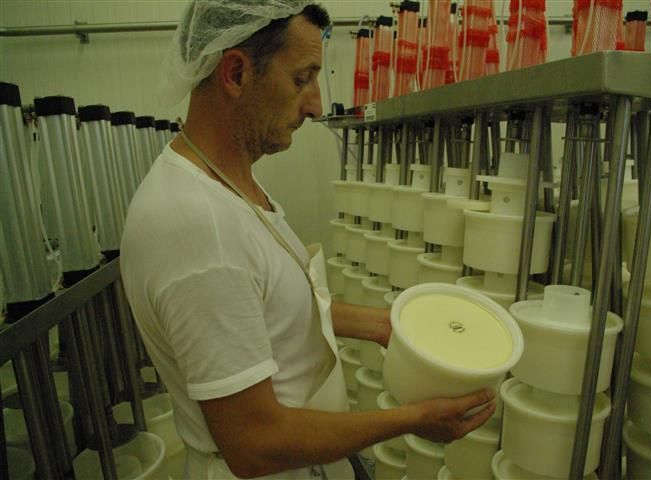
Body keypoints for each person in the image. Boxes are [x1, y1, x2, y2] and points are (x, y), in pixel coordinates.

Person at [120, 1, 496, 478]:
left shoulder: (230, 186)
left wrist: (389, 325)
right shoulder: (197, 227)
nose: (317, 105)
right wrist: (413, 419)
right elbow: (255, 443)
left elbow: (271, 308)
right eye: (302, 79)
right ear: (236, 73)